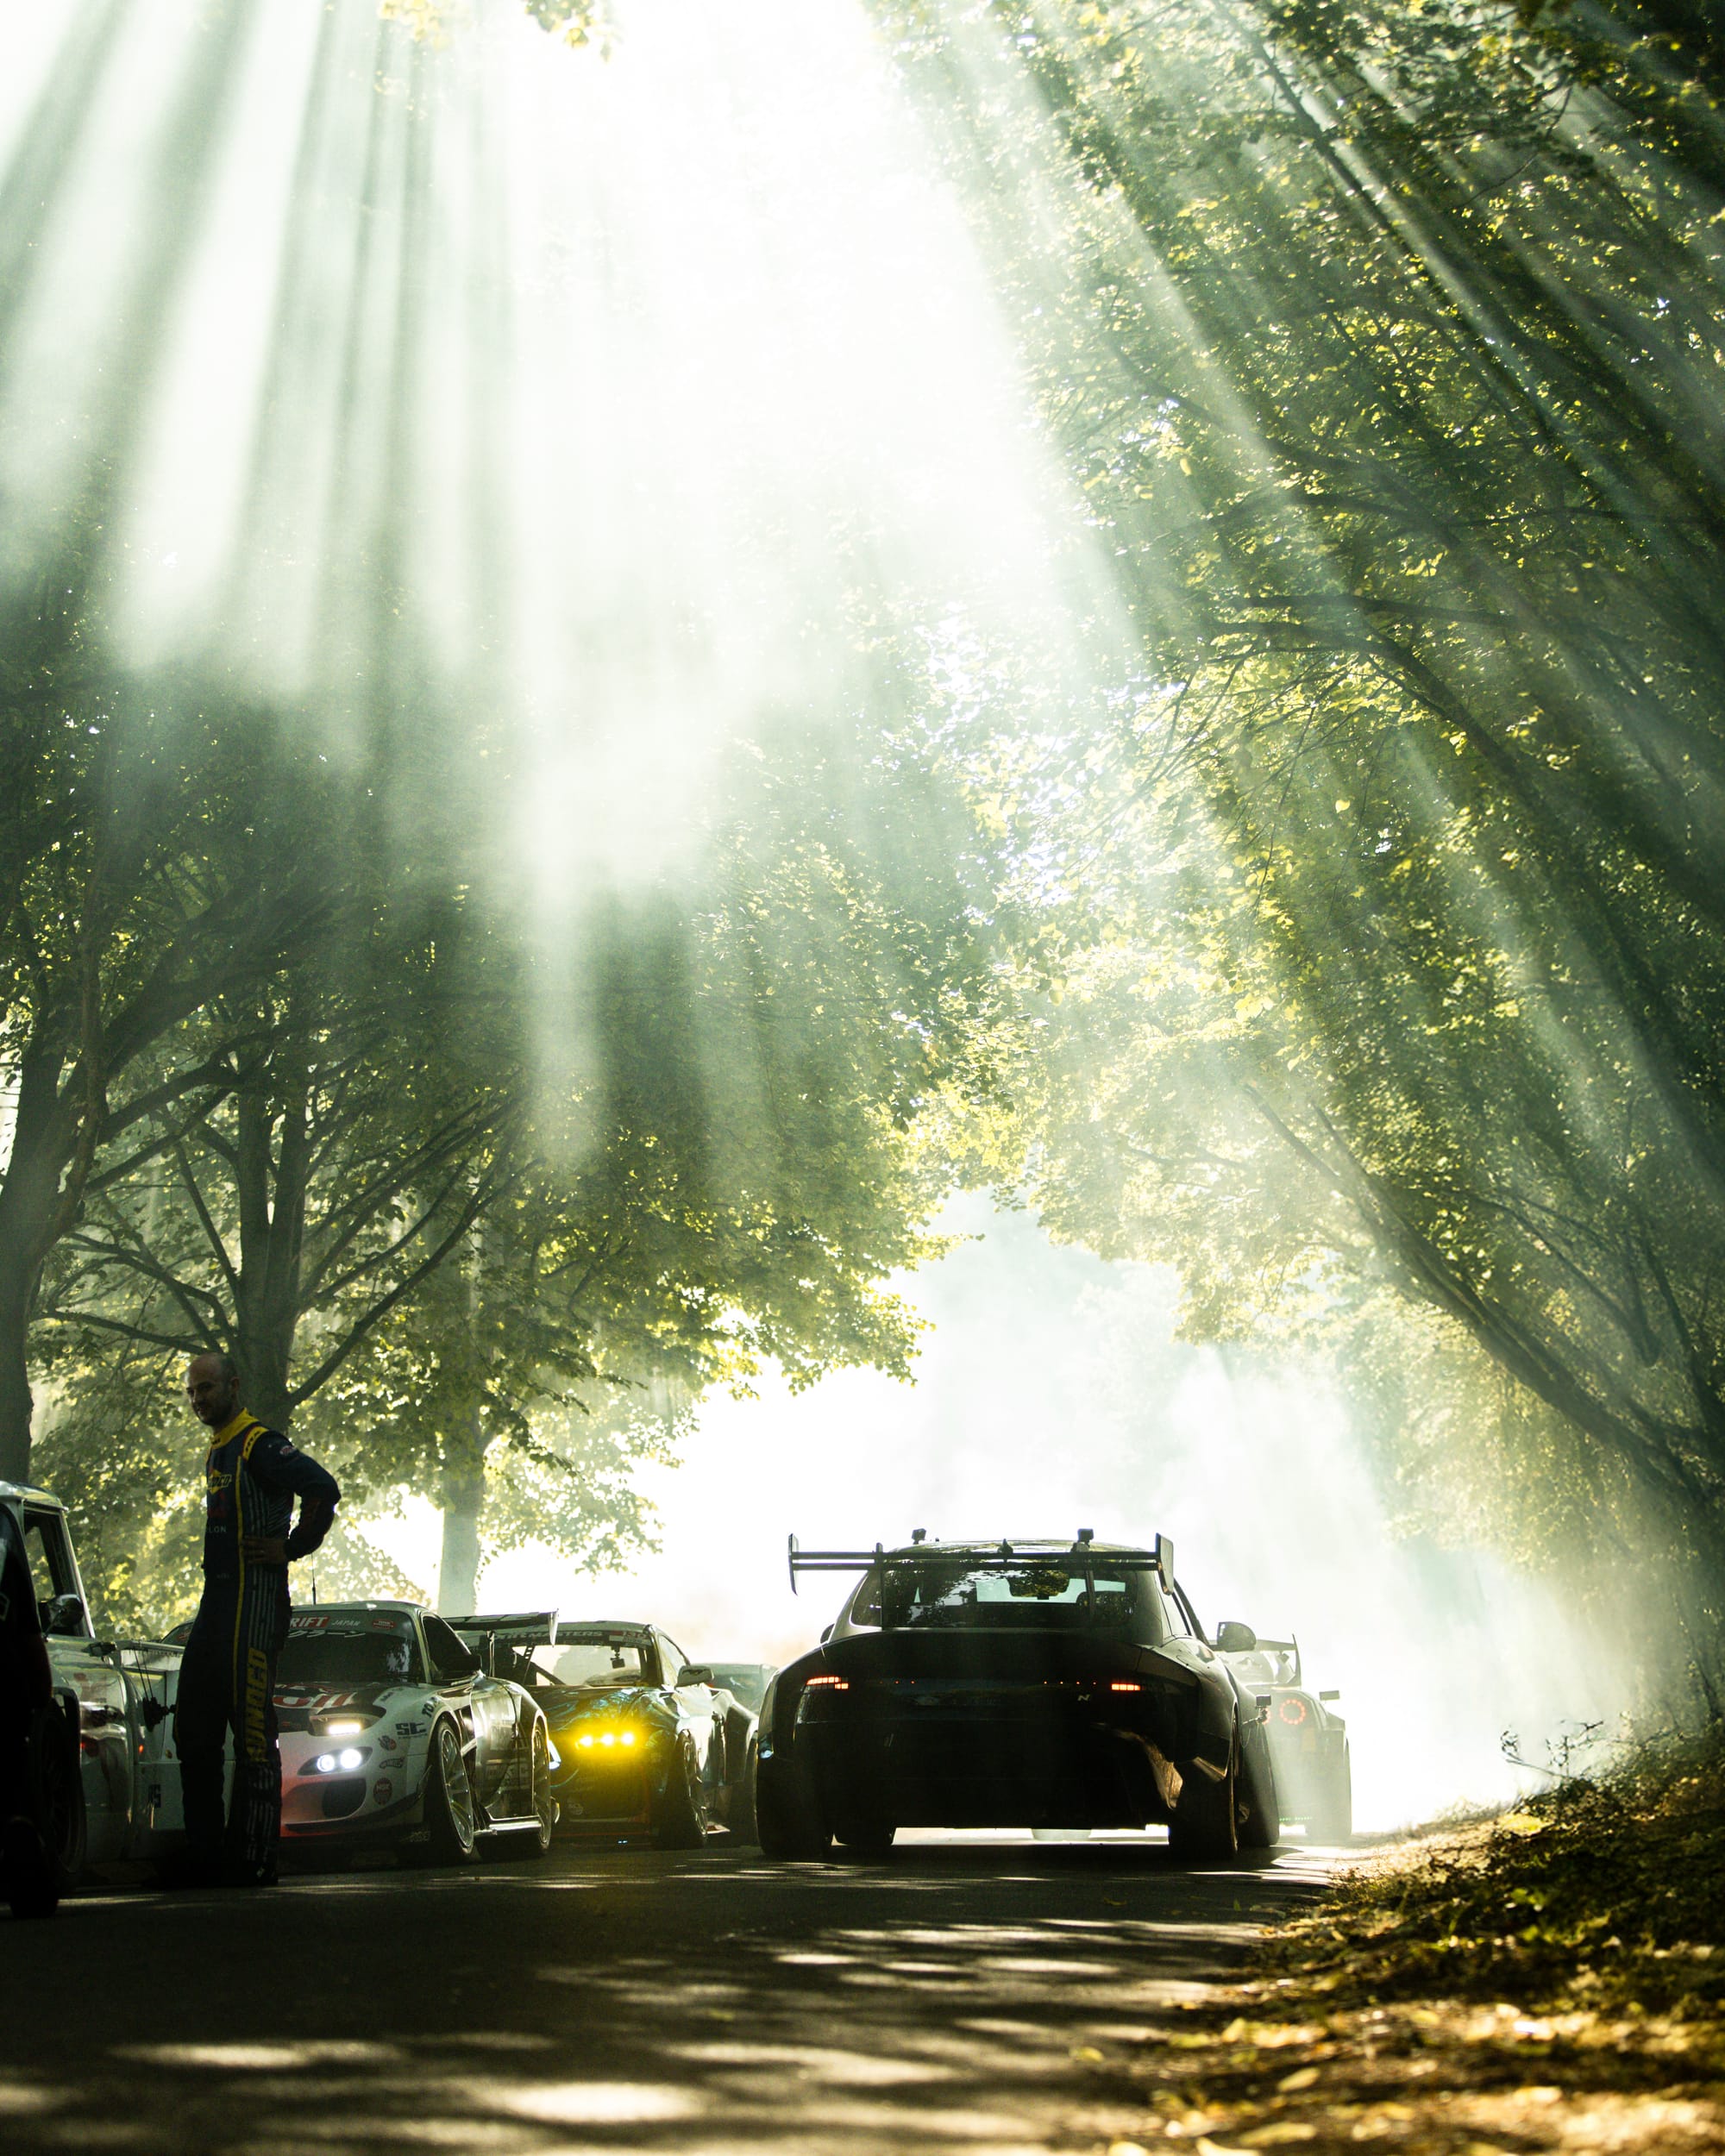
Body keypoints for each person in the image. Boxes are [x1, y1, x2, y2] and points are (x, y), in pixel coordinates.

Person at [169, 1353, 340, 1888]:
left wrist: (291, 1547)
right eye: (192, 1391)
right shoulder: (217, 1448)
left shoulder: (260, 1444)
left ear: (234, 1386)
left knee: (251, 1733)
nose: (198, 1399)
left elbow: (324, 1488)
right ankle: (204, 1857)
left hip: (255, 1604)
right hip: (215, 1605)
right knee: (193, 1731)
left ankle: (255, 1857)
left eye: (206, 1388)